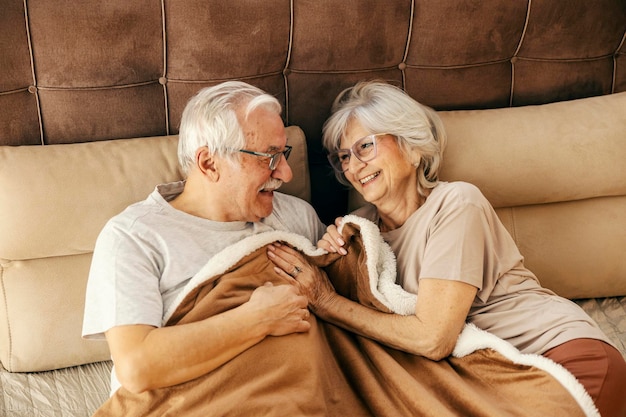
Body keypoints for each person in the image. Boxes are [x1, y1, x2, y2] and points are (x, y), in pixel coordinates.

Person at [266, 80, 626, 417]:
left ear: (410, 144)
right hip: (483, 380)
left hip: (559, 356)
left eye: (365, 147)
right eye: (343, 157)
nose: (354, 167)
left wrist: (328, 301)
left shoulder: (456, 204)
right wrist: (336, 258)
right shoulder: (359, 229)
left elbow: (433, 338)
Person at [82, 81, 325, 395]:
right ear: (209, 163)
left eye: (284, 153)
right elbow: (137, 367)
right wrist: (259, 319)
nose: (286, 174)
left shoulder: (296, 217)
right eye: (269, 157)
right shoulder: (133, 237)